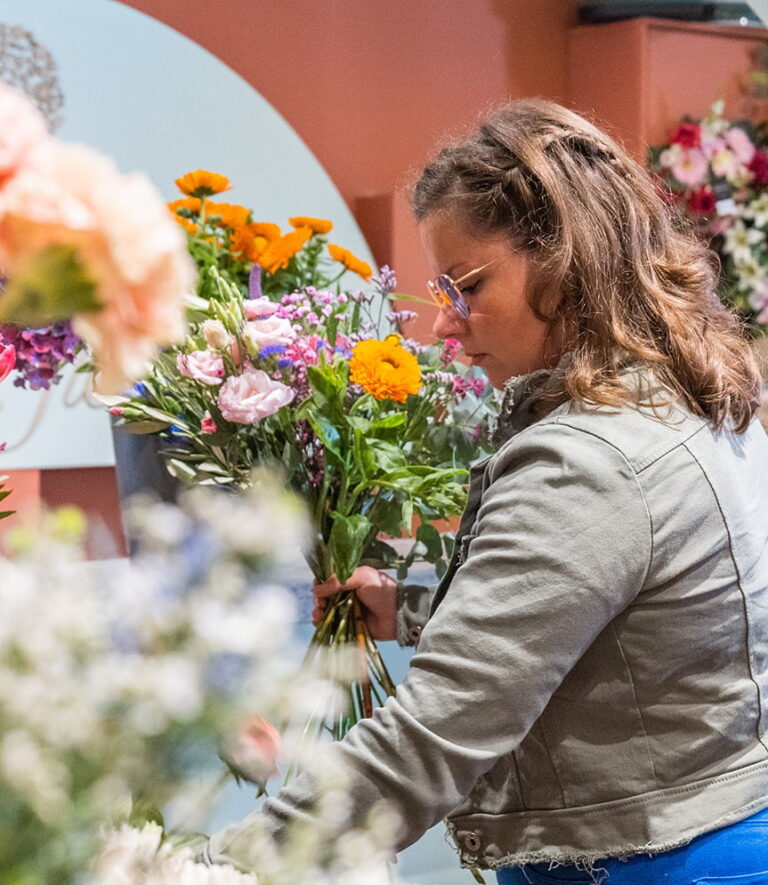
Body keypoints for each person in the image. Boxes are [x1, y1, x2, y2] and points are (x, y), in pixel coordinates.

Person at [201, 100, 768, 883]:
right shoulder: (693, 394)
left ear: (567, 256)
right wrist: (412, 608)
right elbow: (604, 612)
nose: (446, 325)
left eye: (465, 285)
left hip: (642, 859)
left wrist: (220, 864)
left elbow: (437, 730)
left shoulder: (588, 461)